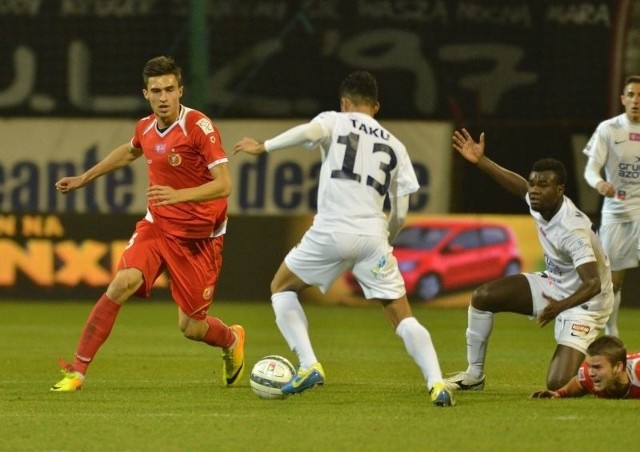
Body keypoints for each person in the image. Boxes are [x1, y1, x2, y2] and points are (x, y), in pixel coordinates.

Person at [232, 70, 455, 407]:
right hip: (372, 236)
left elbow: (309, 131)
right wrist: (387, 239)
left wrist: (264, 147)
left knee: (281, 287)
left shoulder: (335, 120)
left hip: (331, 230)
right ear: (376, 106)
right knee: (402, 315)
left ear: (345, 102)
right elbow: (402, 210)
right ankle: (437, 383)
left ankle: (309, 364)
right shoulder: (396, 145)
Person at [50, 56, 245, 391]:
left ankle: (231, 339)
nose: (164, 96)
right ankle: (77, 372)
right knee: (121, 283)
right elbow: (129, 152)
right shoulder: (144, 127)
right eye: (156, 90)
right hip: (158, 226)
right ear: (146, 93)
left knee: (191, 327)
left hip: (199, 239)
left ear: (181, 91)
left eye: (170, 89)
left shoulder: (199, 127)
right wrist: (85, 178)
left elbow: (224, 184)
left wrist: (178, 195)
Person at [445, 129, 614, 391]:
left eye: (542, 185)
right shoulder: (541, 202)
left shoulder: (572, 228)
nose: (534, 190)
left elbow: (593, 283)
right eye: (533, 183)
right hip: (555, 285)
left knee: (557, 384)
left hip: (587, 303)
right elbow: (518, 185)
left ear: (560, 190)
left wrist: (559, 307)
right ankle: (474, 375)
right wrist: (482, 161)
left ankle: (616, 370)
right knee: (482, 296)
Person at [582, 75, 640, 338]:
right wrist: (599, 184)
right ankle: (611, 331)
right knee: (613, 282)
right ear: (623, 98)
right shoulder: (608, 129)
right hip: (616, 214)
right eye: (632, 95)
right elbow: (591, 169)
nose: (636, 101)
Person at [531, 335, 640, 399]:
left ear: (618, 367)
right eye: (590, 366)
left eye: (597, 367)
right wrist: (557, 393)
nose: (591, 373)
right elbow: (578, 382)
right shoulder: (588, 375)